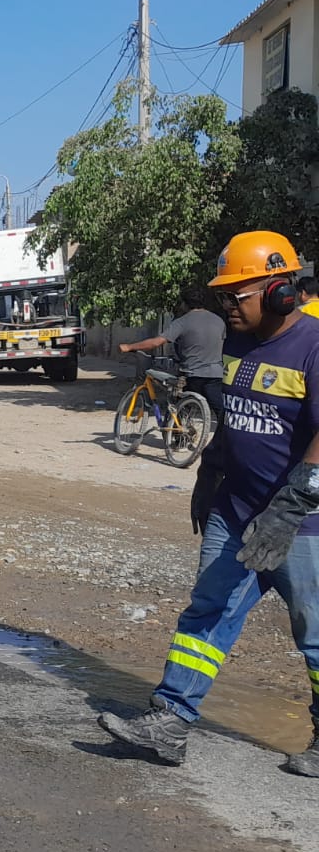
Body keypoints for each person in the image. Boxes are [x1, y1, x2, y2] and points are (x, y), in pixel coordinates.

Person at [99, 231, 319, 776]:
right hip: (237, 508)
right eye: (223, 296)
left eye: (236, 295)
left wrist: (291, 506)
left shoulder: (314, 345)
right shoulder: (238, 346)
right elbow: (234, 417)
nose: (227, 307)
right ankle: (170, 721)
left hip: (302, 523)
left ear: (279, 291)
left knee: (315, 636)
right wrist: (210, 472)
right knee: (207, 612)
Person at [118, 286, 227, 423]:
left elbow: (156, 342)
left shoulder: (183, 321)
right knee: (220, 411)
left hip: (192, 374)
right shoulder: (219, 321)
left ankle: (176, 436)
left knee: (178, 407)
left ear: (185, 303)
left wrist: (129, 346)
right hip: (215, 374)